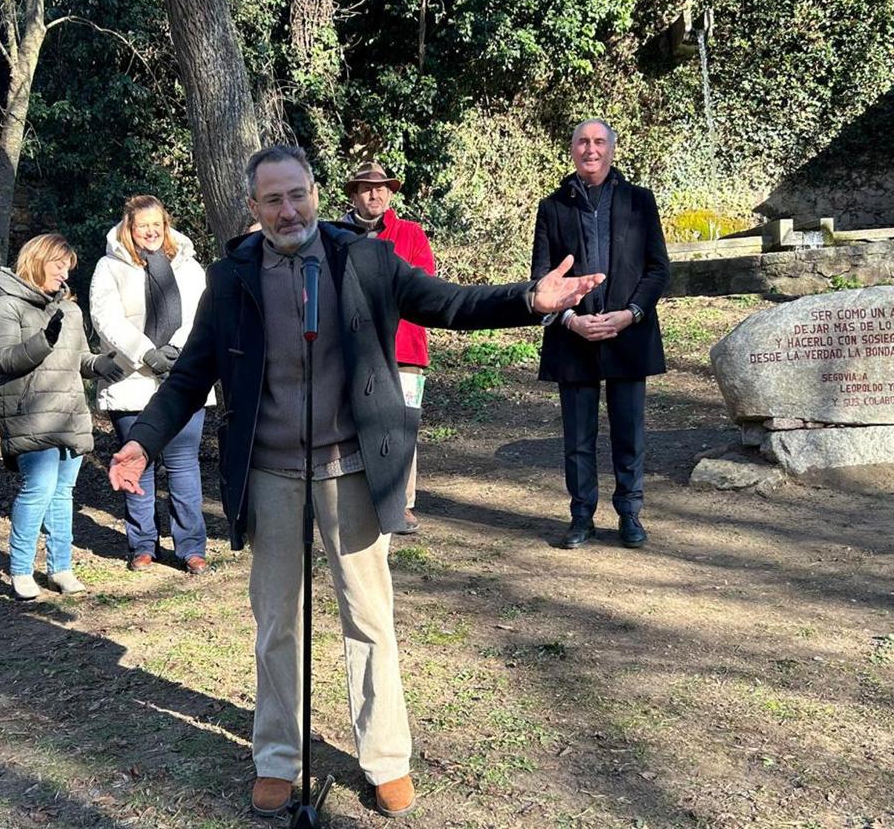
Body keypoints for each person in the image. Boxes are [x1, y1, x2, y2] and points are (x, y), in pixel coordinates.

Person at [107, 145, 602, 818]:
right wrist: (141, 442)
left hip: (352, 466)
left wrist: (528, 298)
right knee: (275, 621)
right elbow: (193, 374)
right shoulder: (231, 279)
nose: (288, 210)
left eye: (297, 194)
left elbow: (444, 302)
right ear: (253, 207)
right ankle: (276, 757)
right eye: (272, 199)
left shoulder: (361, 257)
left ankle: (386, 758)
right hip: (272, 470)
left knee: (369, 617)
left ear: (316, 193)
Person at [530, 119, 670, 549]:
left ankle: (630, 514)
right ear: (572, 149)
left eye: (599, 142)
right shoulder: (552, 207)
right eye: (582, 142)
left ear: (612, 148)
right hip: (574, 336)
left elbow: (658, 269)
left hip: (627, 333)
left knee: (629, 432)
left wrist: (630, 314)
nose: (591, 150)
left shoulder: (639, 201)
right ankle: (581, 517)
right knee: (578, 438)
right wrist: (571, 319)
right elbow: (541, 278)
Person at [0, 233, 121, 600]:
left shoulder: (71, 310)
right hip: (30, 417)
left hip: (70, 417)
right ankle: (19, 571)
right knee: (39, 490)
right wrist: (43, 340)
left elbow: (81, 361)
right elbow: (4, 360)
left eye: (68, 268)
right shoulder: (7, 306)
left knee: (63, 494)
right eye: (58, 265)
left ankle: (60, 568)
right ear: (37, 260)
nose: (65, 273)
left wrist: (109, 364)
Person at [90, 195, 214, 575]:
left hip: (181, 377)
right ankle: (143, 545)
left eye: (156, 224)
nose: (150, 231)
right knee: (138, 468)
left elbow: (202, 311)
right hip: (132, 381)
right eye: (142, 225)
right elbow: (105, 317)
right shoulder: (109, 267)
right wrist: (146, 353)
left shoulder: (188, 266)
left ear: (166, 225)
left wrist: (178, 349)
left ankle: (191, 547)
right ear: (129, 228)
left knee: (183, 466)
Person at [341, 161, 436, 534]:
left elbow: (424, 286)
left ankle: (403, 503)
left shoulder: (411, 234)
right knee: (354, 424)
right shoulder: (336, 236)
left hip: (405, 349)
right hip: (354, 349)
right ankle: (361, 499)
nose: (374, 194)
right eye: (365, 188)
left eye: (381, 188)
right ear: (353, 194)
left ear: (391, 193)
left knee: (403, 425)